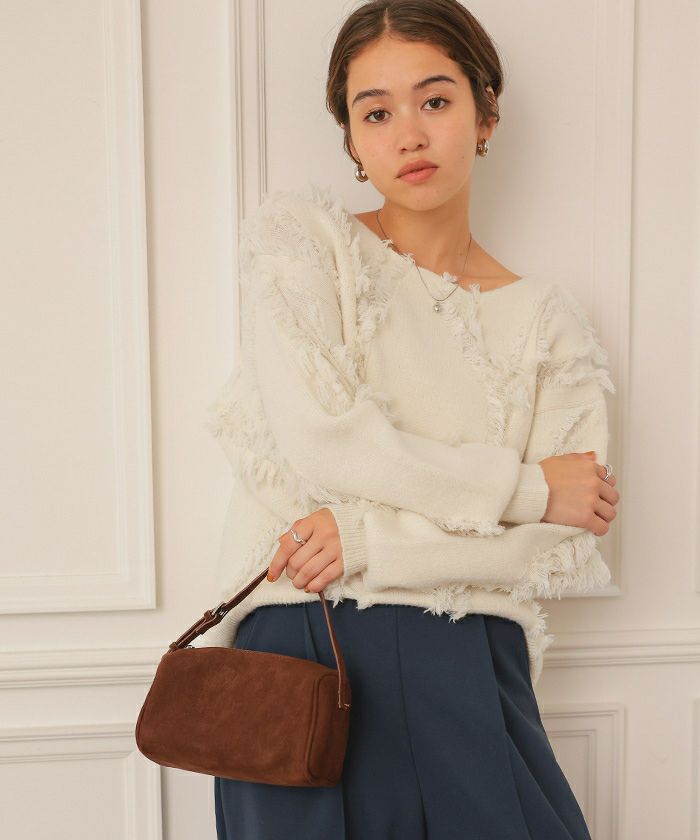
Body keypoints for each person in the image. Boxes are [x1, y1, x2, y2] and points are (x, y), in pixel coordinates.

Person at [203, 1, 619, 837]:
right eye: (376, 112)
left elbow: (564, 544)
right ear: (351, 141)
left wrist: (366, 542)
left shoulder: (549, 322)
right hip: (301, 654)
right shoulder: (301, 244)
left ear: (486, 112)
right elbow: (326, 442)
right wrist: (529, 489)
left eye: (435, 100)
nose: (410, 134)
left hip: (472, 660)